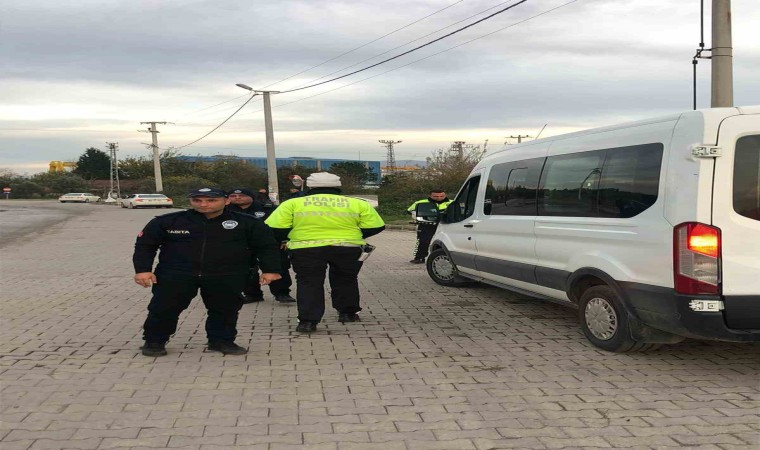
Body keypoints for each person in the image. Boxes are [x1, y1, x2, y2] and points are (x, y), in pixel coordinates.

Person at [133, 187, 282, 357]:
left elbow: (266, 247)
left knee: (225, 310)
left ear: (226, 201)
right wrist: (143, 270)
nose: (203, 204)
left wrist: (270, 270)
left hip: (227, 274)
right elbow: (145, 245)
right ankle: (154, 341)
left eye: (211, 200)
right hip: (176, 274)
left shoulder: (247, 222)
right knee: (164, 308)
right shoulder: (169, 221)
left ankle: (222, 341)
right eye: (197, 200)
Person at [265, 172, 385, 333]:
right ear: (338, 187)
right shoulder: (357, 203)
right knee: (346, 279)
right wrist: (356, 235)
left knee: (309, 282)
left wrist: (287, 238)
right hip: (347, 246)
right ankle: (348, 313)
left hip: (305, 247)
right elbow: (377, 226)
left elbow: (274, 227)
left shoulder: (293, 203)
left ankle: (308, 322)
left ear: (309, 187)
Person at [227, 187, 295, 304]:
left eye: (242, 196)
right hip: (241, 245)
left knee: (278, 267)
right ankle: (252, 294)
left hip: (269, 244)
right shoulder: (225, 211)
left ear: (251, 197)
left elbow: (282, 223)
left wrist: (284, 240)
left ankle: (282, 293)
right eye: (233, 196)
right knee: (246, 270)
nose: (237, 198)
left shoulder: (267, 208)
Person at [407, 189, 451, 264]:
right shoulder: (420, 203)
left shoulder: (452, 203)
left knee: (447, 241)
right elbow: (410, 210)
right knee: (423, 241)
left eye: (441, 196)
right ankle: (419, 257)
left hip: (446, 225)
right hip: (426, 225)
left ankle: (448, 258)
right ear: (430, 196)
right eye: (435, 196)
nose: (439, 198)